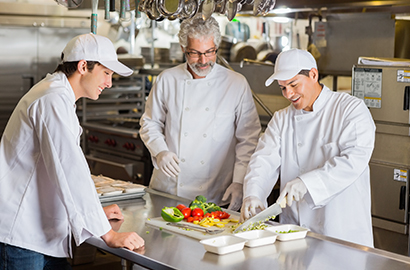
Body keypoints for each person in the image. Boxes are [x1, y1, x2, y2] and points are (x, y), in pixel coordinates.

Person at [0, 33, 144, 270]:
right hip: (22, 237)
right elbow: (69, 168)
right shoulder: (52, 99)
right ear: (83, 66)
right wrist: (107, 234)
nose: (110, 83)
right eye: (107, 73)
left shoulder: (58, 94)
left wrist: (94, 213)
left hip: (42, 232)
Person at [241, 48, 375, 247]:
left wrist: (307, 183)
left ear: (313, 74)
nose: (288, 94)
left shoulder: (350, 109)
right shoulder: (281, 119)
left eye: (293, 85)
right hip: (293, 232)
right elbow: (263, 161)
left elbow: (353, 161)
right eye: (283, 87)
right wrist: (253, 194)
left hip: (341, 232)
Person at [139, 15, 261, 211]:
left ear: (216, 48)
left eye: (209, 52)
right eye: (195, 53)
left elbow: (248, 139)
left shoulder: (236, 83)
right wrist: (160, 151)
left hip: (214, 192)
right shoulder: (167, 79)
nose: (203, 60)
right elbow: (149, 123)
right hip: (169, 189)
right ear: (183, 49)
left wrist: (239, 182)